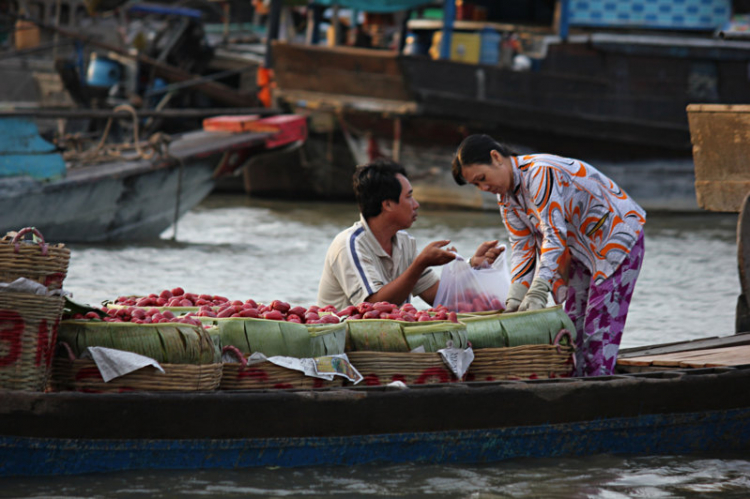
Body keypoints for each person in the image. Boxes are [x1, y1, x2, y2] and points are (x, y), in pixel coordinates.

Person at [451, 135, 646, 377]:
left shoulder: (539, 173)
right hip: (580, 251)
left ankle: (599, 388)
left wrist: (539, 288)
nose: (484, 188)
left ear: (496, 157)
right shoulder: (506, 198)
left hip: (617, 239)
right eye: (476, 185)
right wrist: (516, 296)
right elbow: (523, 245)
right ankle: (577, 387)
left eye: (482, 179)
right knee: (572, 327)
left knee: (598, 331)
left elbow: (553, 234)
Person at [318, 158, 502, 310]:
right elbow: (372, 307)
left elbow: (442, 297)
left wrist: (471, 267)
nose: (416, 204)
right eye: (408, 197)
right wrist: (420, 263)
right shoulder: (350, 244)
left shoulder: (404, 242)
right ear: (387, 204)